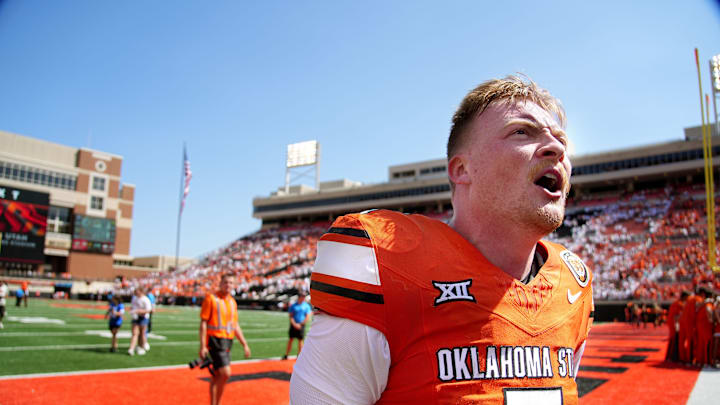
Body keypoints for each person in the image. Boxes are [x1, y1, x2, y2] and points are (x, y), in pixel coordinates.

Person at [290, 75, 594, 404]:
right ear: (462, 169)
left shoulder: (573, 283)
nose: (558, 148)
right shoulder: (383, 262)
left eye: (561, 138)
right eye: (522, 131)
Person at [199, 273, 251, 405]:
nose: (228, 285)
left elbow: (235, 325)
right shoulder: (211, 298)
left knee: (217, 375)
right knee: (225, 373)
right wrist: (203, 346)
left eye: (231, 283)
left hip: (228, 341)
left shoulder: (232, 302)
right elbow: (203, 322)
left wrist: (244, 344)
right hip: (215, 340)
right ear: (220, 283)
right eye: (226, 282)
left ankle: (215, 403)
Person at [282, 291, 312, 360]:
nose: (303, 298)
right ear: (299, 297)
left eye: (304, 296)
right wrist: (294, 324)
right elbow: (291, 316)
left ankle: (299, 355)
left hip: (301, 325)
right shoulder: (293, 305)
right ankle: (286, 354)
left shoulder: (306, 306)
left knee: (300, 340)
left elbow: (307, 316)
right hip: (293, 325)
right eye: (302, 296)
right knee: (290, 340)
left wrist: (301, 324)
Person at [128, 287, 152, 356]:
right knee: (134, 333)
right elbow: (132, 307)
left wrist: (139, 311)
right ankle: (131, 348)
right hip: (135, 317)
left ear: (141, 291)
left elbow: (149, 310)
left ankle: (141, 347)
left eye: (137, 291)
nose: (136, 292)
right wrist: (133, 312)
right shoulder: (134, 298)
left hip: (143, 318)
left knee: (142, 333)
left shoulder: (145, 299)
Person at [666, 291, 689, 362]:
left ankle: (671, 357)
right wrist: (677, 326)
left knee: (673, 340)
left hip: (673, 324)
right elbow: (676, 316)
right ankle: (673, 357)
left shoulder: (677, 303)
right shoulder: (679, 304)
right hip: (675, 324)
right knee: (675, 340)